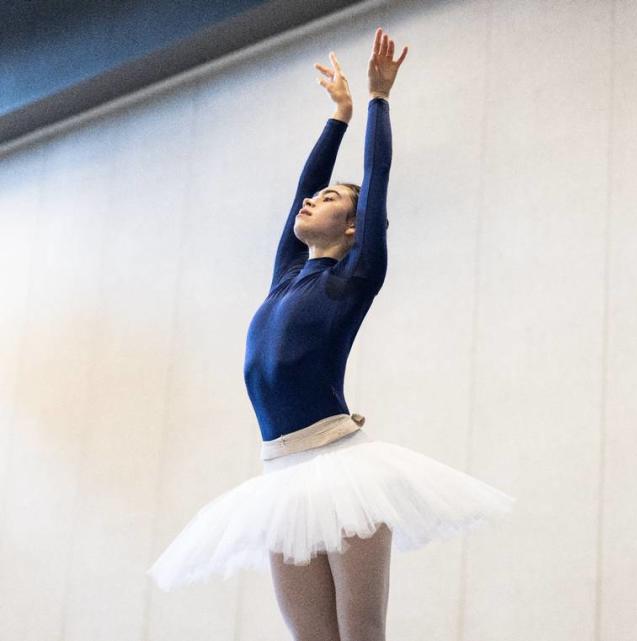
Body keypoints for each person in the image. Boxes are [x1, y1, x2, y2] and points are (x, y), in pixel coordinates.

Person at [146, 27, 516, 641]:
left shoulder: (356, 275)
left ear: (352, 229)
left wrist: (377, 101)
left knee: (359, 631)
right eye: (313, 197)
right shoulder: (285, 274)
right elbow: (301, 187)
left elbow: (377, 177)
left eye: (329, 200)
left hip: (342, 471)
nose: (310, 202)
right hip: (280, 478)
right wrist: (336, 117)